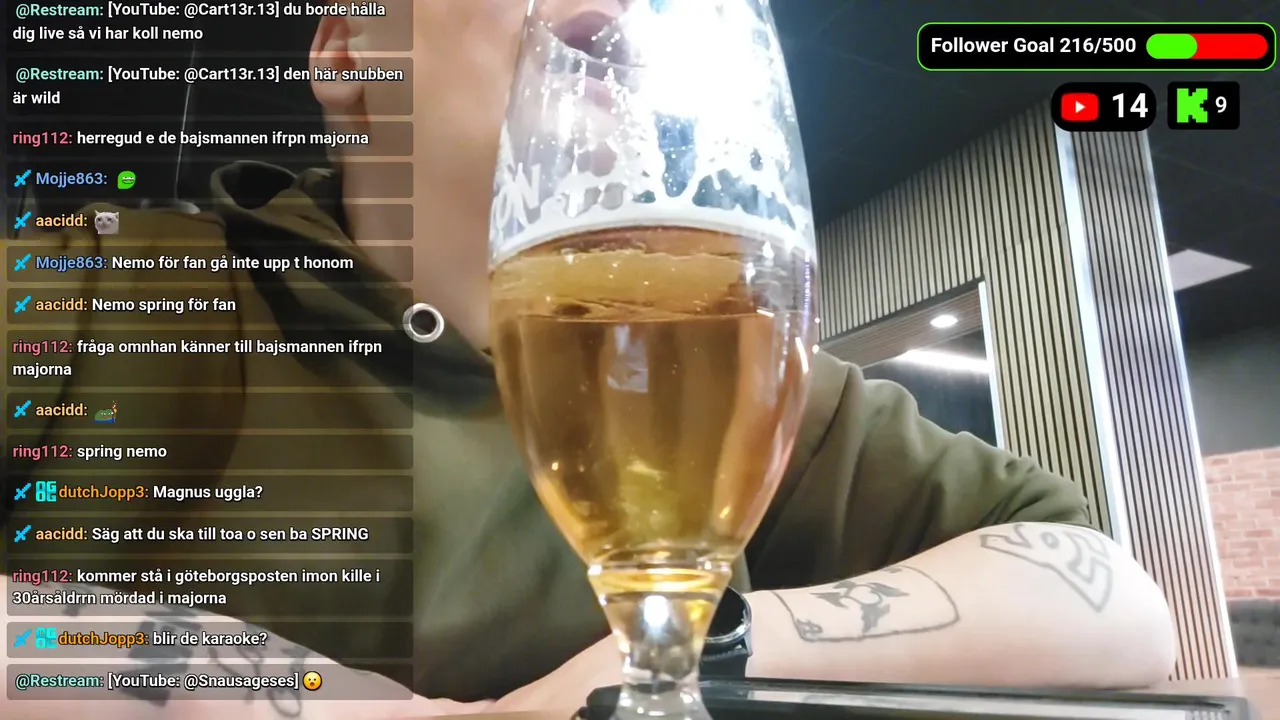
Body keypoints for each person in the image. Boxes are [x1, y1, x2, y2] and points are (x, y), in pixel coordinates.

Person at [4, 1, 1176, 718]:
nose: (612, 12)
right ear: (349, 45)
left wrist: (670, 658)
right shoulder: (97, 282)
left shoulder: (720, 347)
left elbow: (1106, 594)